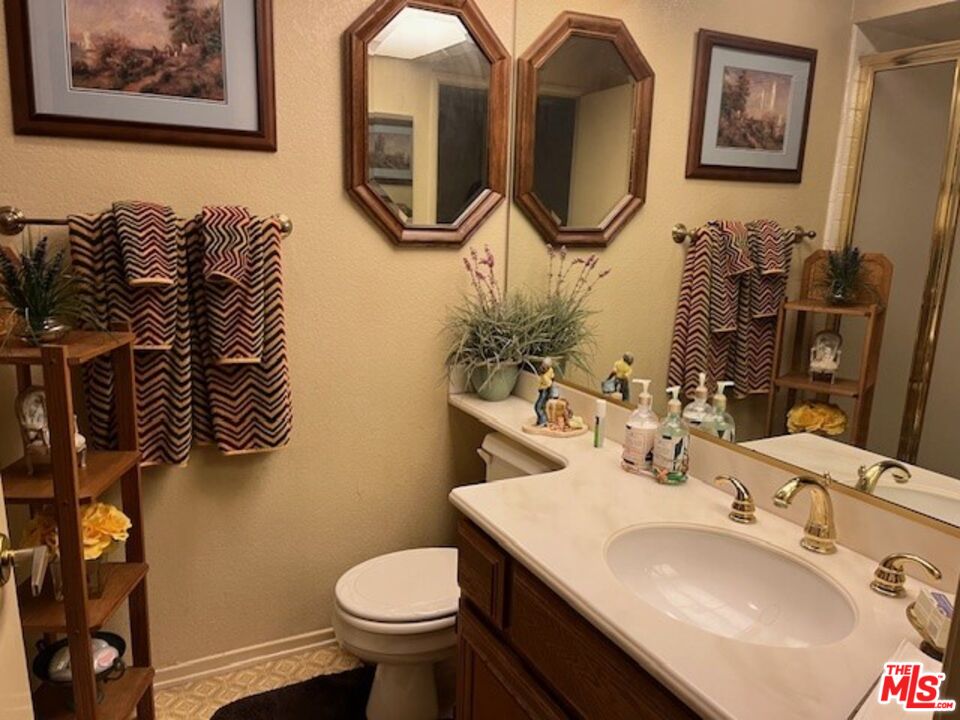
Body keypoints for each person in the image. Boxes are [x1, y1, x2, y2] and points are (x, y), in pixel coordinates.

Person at [534, 358, 555, 426]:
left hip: (545, 390)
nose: (542, 366)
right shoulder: (548, 372)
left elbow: (549, 383)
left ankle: (543, 421)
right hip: (542, 390)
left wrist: (543, 375)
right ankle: (540, 420)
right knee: (541, 406)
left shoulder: (546, 374)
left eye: (544, 365)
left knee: (538, 406)